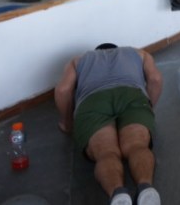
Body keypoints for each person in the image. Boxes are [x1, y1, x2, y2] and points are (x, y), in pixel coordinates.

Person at [55, 43, 163, 205]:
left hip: (93, 101)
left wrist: (66, 123)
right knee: (137, 145)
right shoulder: (139, 53)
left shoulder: (78, 60)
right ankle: (146, 188)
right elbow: (155, 79)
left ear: (97, 52)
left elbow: (63, 90)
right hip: (131, 95)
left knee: (106, 152)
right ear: (116, 49)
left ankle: (118, 193)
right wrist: (147, 109)